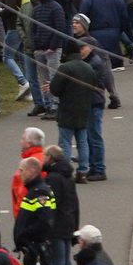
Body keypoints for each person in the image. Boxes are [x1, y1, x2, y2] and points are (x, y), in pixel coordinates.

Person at [45, 42, 95, 182]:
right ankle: (83, 171)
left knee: (65, 142)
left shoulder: (65, 68)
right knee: (83, 142)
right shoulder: (88, 67)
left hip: (67, 110)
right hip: (84, 109)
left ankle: (65, 171)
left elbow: (55, 89)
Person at [13, 156, 55, 265]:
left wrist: (24, 236)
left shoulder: (40, 192)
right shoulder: (34, 191)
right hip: (32, 250)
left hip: (37, 251)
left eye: (22, 170)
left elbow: (44, 223)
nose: (19, 174)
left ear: (32, 171)